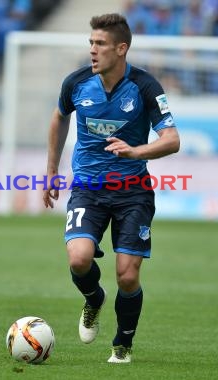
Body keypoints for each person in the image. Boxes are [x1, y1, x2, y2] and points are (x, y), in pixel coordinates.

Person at [43, 13, 180, 364]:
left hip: (133, 191)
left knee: (128, 274)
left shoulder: (146, 87)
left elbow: (172, 140)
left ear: (121, 49)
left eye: (100, 44)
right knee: (78, 258)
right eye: (90, 42)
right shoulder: (76, 83)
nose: (92, 50)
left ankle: (123, 343)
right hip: (88, 188)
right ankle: (93, 299)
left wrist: (137, 150)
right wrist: (51, 171)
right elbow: (60, 117)